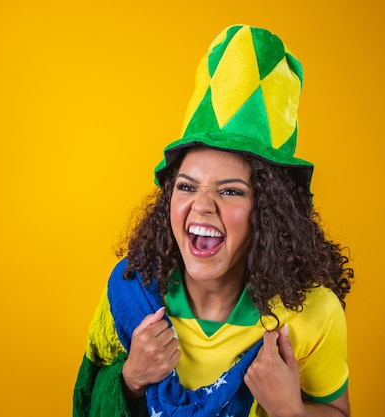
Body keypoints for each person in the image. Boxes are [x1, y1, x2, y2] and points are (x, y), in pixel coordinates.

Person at [73, 24, 354, 417]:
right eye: (187, 187)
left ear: (269, 215)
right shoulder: (129, 291)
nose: (201, 206)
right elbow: (88, 397)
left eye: (230, 191)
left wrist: (291, 410)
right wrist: (132, 379)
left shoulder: (313, 312)